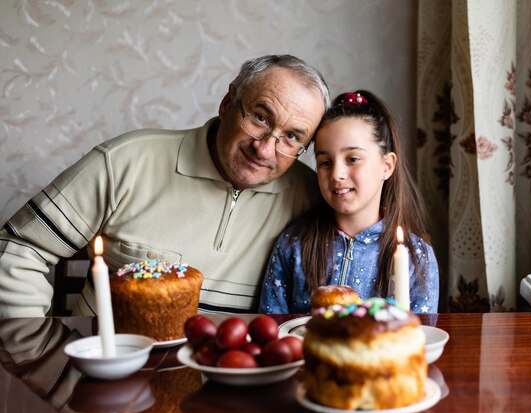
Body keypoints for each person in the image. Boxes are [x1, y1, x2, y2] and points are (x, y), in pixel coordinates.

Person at [0, 54, 330, 317]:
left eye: (291, 137)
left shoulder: (310, 196)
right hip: (104, 383)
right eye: (259, 118)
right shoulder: (125, 161)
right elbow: (19, 249)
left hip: (229, 390)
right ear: (228, 102)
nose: (265, 149)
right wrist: (32, 352)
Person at [258, 90, 439, 314]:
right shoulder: (293, 245)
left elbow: (418, 337)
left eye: (352, 159)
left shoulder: (417, 256)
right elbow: (272, 330)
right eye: (325, 162)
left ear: (387, 166)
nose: (337, 174)